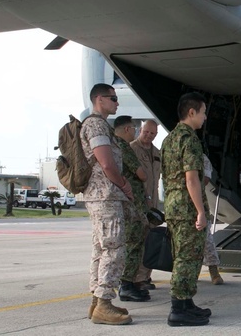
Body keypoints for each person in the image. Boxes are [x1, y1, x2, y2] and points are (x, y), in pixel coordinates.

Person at [81, 83, 134, 325]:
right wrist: (124, 184)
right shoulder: (95, 124)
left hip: (102, 196)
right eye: (113, 98)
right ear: (99, 99)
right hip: (106, 196)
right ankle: (103, 303)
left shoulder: (100, 125)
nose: (117, 103)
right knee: (114, 249)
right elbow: (106, 162)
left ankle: (97, 302)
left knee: (101, 249)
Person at [160, 92, 212, 326]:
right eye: (202, 112)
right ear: (191, 112)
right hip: (187, 208)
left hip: (173, 205)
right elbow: (191, 178)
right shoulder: (189, 139)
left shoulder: (169, 139)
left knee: (184, 255)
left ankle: (186, 302)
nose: (204, 118)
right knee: (187, 258)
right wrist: (200, 210)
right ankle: (178, 309)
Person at [113, 115, 150, 302]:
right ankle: (127, 284)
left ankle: (127, 283)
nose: (135, 132)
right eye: (134, 129)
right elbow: (141, 174)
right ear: (128, 129)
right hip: (132, 205)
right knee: (134, 244)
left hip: (121, 203)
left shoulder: (110, 145)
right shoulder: (123, 146)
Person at [130, 119, 162, 290]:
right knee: (137, 240)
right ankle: (133, 278)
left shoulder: (157, 153)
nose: (148, 136)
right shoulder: (131, 149)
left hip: (153, 203)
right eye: (146, 132)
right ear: (140, 130)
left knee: (150, 240)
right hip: (137, 202)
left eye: (152, 133)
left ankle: (144, 276)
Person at [201, 155, 225, 285]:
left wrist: (191, 181)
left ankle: (214, 271)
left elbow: (206, 178)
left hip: (197, 200)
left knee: (206, 240)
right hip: (178, 205)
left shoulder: (201, 156)